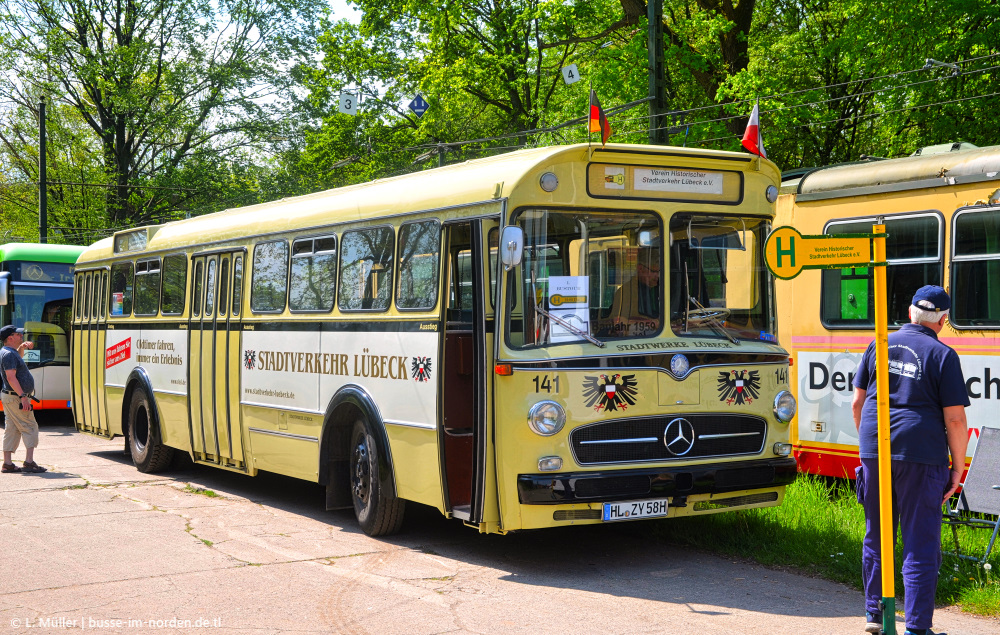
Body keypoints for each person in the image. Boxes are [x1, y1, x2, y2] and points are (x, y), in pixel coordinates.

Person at [851, 285, 969, 635]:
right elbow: (955, 420)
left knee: (878, 532)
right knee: (920, 540)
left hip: (876, 448)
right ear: (943, 321)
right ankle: (917, 627)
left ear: (909, 312)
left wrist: (868, 449)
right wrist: (958, 469)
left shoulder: (878, 344)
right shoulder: (943, 355)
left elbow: (858, 403)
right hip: (921, 453)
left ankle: (875, 613)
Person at [1, 325, 47, 473]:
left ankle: (8, 463)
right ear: (10, 338)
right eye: (18, 335)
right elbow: (11, 377)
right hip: (15, 398)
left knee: (12, 429)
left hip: (10, 396)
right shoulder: (9, 355)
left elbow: (17, 359)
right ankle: (29, 462)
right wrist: (23, 397)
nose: (21, 336)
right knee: (30, 426)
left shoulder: (10, 352)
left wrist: (21, 347)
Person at [601, 246, 660, 337]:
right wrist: (653, 323)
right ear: (640, 269)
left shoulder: (654, 289)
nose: (657, 276)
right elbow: (619, 324)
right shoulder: (626, 293)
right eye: (654, 271)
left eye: (659, 272)